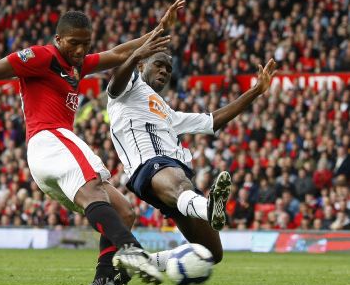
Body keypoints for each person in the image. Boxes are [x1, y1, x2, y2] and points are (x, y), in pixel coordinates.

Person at [0, 0, 185, 285]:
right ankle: (131, 249)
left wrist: (159, 30)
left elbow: (120, 53)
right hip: (49, 138)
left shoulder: (77, 64)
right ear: (58, 40)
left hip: (52, 155)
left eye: (86, 44)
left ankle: (104, 283)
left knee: (123, 211)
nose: (80, 50)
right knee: (97, 190)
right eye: (74, 43)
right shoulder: (42, 56)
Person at [106, 42, 277, 269]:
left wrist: (255, 91)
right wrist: (136, 52)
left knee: (210, 253)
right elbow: (114, 85)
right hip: (150, 165)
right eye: (159, 65)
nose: (164, 71)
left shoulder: (167, 112)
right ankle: (208, 207)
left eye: (168, 69)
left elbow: (212, 120)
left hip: (176, 178)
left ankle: (143, 263)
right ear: (141, 65)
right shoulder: (130, 85)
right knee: (182, 187)